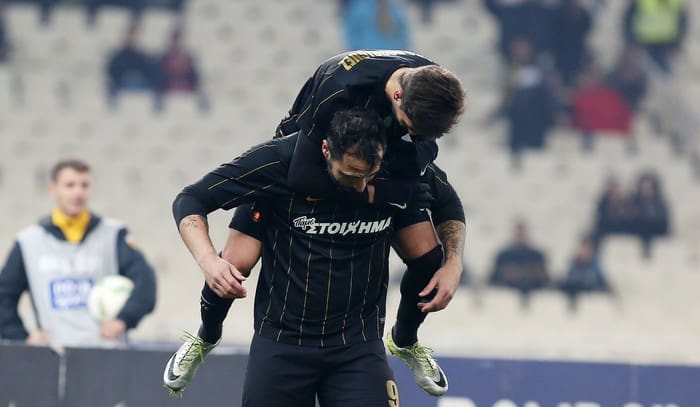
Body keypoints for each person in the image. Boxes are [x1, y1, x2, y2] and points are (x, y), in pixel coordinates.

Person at [172, 49, 467, 397]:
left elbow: (449, 203)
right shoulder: (331, 96)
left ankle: (405, 340)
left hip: (357, 340)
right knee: (235, 262)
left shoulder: (420, 108)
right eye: (410, 127)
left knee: (429, 257)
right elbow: (192, 199)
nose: (414, 136)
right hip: (302, 162)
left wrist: (454, 263)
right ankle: (207, 335)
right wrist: (209, 262)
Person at [0, 159, 156, 349]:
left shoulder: (114, 234)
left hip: (106, 352)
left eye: (84, 185)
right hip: (53, 355)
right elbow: (4, 296)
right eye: (70, 185)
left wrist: (124, 319)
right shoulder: (28, 242)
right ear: (53, 189)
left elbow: (146, 282)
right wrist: (21, 339)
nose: (78, 192)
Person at [488, 220, 550, 307]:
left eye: (523, 231)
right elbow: (492, 279)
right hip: (506, 300)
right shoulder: (504, 255)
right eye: (518, 232)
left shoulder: (537, 255)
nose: (521, 234)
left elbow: (545, 279)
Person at [106, 24, 162, 110]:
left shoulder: (142, 56)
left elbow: (150, 71)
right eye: (129, 35)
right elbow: (112, 71)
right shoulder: (119, 56)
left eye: (133, 36)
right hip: (123, 84)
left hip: (140, 84)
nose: (131, 38)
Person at [623, 0, 688, 73]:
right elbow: (628, 20)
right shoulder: (642, 2)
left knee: (664, 73)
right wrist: (632, 42)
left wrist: (676, 43)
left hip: (665, 45)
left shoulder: (674, 3)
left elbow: (682, 22)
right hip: (644, 44)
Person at [558, 238, 611, 311]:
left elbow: (599, 278)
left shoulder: (594, 263)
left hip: (588, 286)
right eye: (582, 249)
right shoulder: (574, 261)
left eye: (586, 249)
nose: (584, 251)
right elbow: (569, 276)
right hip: (574, 286)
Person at [342, 0, 411, 51]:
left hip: (393, 53)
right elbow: (353, 32)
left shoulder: (394, 7)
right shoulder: (360, 7)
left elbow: (402, 31)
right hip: (367, 54)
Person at [631, 172, 670, 258]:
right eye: (644, 187)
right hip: (641, 228)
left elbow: (663, 217)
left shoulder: (659, 201)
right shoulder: (635, 201)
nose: (646, 190)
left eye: (648, 187)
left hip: (656, 227)